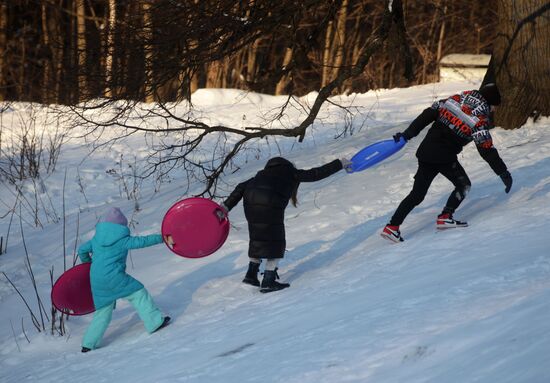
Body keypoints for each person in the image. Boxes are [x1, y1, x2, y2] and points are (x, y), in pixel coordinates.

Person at [381, 83, 512, 243]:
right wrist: (503, 172)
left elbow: (428, 114)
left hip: (426, 152)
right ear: (489, 103)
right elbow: (486, 149)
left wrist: (408, 134)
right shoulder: (479, 120)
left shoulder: (454, 100)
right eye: (494, 107)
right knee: (464, 185)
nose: (494, 110)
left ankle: (392, 227)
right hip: (444, 157)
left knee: (417, 194)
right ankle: (445, 216)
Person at [220, 157, 352, 293]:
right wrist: (339, 164)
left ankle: (251, 275)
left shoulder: (261, 175)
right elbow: (315, 174)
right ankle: (268, 280)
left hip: (251, 205)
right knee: (275, 241)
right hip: (270, 205)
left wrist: (226, 207)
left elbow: (241, 187)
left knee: (257, 237)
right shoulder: (290, 172)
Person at [78, 207, 172, 352]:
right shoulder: (122, 240)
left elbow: (82, 250)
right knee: (139, 293)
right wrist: (162, 238)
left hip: (96, 279)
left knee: (102, 311)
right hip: (114, 277)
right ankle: (154, 322)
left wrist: (87, 263)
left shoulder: (96, 239)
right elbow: (142, 241)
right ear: (121, 227)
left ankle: (88, 344)